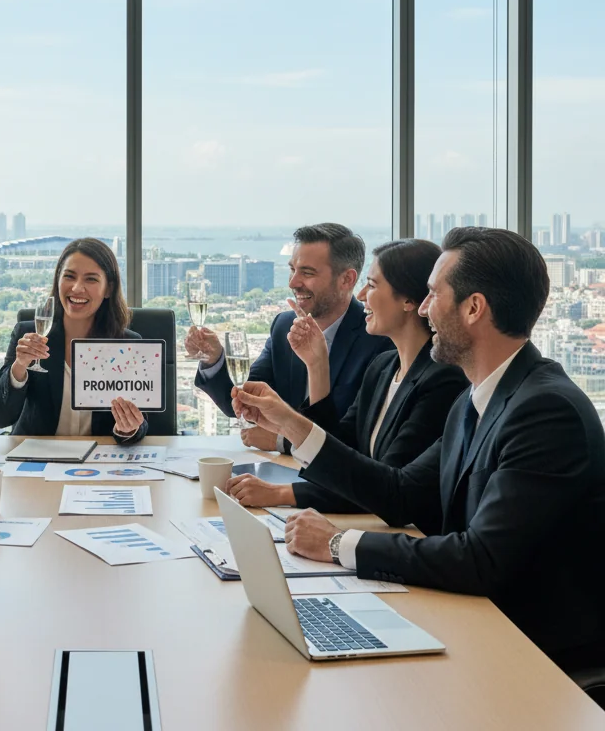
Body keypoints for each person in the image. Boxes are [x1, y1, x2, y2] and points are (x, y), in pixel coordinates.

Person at [231, 228, 605, 671]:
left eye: (432, 294)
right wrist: (292, 425)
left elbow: (480, 559)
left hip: (530, 654)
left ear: (473, 308)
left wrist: (337, 544)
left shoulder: (545, 410)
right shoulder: (477, 397)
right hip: (473, 623)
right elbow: (402, 492)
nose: (424, 309)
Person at [226, 239, 468, 511]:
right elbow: (339, 450)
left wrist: (283, 489)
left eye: (373, 285)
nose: (362, 294)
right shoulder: (383, 367)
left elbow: (386, 487)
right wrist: (313, 370)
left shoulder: (444, 380)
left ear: (410, 301)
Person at [188, 223, 392, 424]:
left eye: (307, 273)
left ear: (346, 279)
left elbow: (354, 436)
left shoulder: (379, 340)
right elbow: (246, 405)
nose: (293, 282)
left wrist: (280, 441)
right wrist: (213, 360)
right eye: (293, 270)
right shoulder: (284, 326)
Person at [0, 238, 149, 442]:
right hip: (39, 460)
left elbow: (142, 422)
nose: (76, 288)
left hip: (99, 461)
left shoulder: (127, 345)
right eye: (69, 277)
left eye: (91, 279)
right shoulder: (28, 334)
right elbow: (0, 417)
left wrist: (127, 428)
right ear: (58, 281)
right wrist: (19, 366)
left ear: (108, 289)